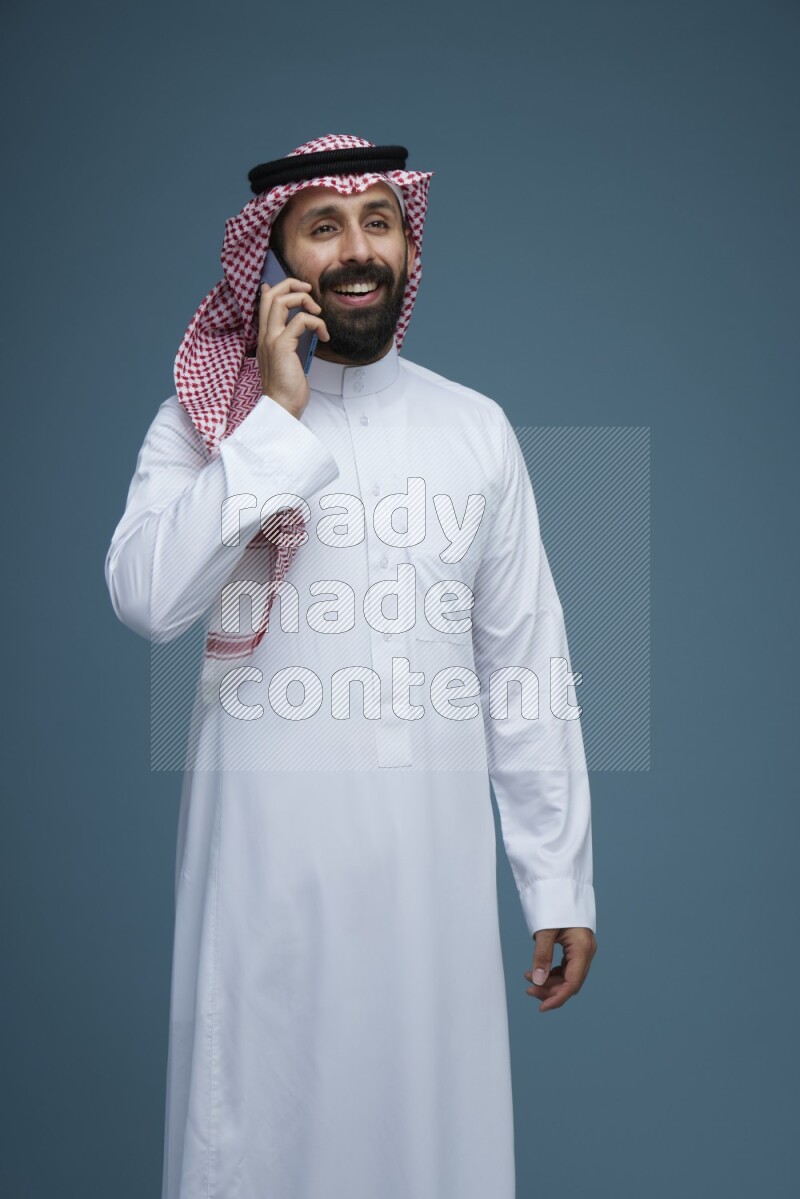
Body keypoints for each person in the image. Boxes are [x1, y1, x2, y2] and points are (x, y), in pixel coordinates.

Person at [104, 133, 597, 1199]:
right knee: (259, 1135)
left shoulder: (474, 429)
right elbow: (146, 596)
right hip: (265, 872)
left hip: (433, 875)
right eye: (322, 227)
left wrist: (554, 877)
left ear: (409, 250)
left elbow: (522, 659)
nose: (356, 249)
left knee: (430, 1143)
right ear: (276, 256)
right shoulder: (206, 424)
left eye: (378, 221)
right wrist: (272, 421)